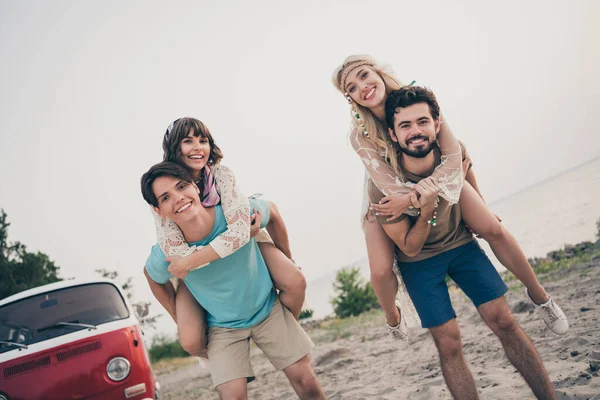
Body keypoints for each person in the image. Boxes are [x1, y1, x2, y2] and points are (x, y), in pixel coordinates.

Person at [331, 55, 568, 344]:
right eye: (352, 88)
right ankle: (393, 317)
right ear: (350, 99)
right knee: (380, 270)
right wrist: (410, 199)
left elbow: (456, 156)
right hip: (387, 192)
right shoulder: (360, 134)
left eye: (364, 75)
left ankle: (540, 296)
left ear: (378, 73)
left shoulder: (415, 98)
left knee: (492, 228)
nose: (363, 87)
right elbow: (389, 186)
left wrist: (477, 200)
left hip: (440, 174)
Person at [373, 86, 557, 399]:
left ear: (436, 124)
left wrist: (482, 212)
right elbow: (410, 248)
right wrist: (428, 211)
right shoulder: (381, 185)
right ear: (392, 134)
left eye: (422, 122)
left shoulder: (452, 153)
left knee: (504, 321)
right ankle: (395, 320)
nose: (415, 131)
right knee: (449, 343)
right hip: (419, 262)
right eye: (405, 126)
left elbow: (469, 177)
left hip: (461, 246)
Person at [141, 161, 326, 399]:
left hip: (267, 309)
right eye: (165, 198)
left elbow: (273, 212)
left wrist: (287, 258)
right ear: (159, 211)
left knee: (307, 383)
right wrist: (179, 316)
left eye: (182, 186)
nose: (178, 198)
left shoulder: (235, 215)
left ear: (196, 188)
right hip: (221, 328)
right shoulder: (168, 251)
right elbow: (152, 276)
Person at [145, 118, 306, 358]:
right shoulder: (162, 188)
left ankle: (280, 333)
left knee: (295, 280)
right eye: (188, 141)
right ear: (173, 149)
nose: (198, 147)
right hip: (196, 264)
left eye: (203, 140)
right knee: (190, 339)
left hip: (238, 243)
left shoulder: (220, 174)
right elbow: (179, 253)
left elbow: (245, 227)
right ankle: (222, 357)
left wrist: (281, 254)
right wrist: (178, 312)